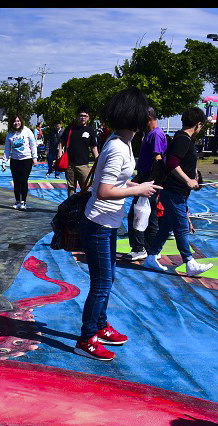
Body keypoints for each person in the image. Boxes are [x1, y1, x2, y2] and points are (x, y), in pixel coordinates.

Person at [74, 88, 160, 362]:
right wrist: (138, 190)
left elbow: (116, 182)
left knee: (107, 279)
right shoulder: (117, 147)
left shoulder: (121, 142)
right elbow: (104, 190)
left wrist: (137, 185)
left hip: (107, 223)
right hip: (99, 222)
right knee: (101, 283)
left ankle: (100, 325)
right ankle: (86, 338)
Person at [142, 107, 214, 277]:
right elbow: (172, 162)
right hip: (174, 192)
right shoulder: (183, 139)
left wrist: (194, 176)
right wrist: (188, 180)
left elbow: (181, 162)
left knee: (166, 226)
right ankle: (189, 262)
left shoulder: (183, 139)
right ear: (198, 124)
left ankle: (151, 256)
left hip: (177, 192)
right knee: (181, 227)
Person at [127, 107, 166, 261]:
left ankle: (139, 248)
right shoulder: (149, 135)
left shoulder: (156, 135)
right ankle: (152, 248)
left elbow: (157, 159)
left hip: (149, 179)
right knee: (150, 215)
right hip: (145, 177)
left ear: (149, 117)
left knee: (138, 213)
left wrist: (150, 181)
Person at [57, 107, 99, 198]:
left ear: (88, 117)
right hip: (70, 164)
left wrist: (97, 159)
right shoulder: (70, 128)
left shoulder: (90, 130)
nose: (82, 118)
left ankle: (84, 208)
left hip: (83, 164)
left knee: (86, 188)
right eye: (80, 115)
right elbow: (61, 141)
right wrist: (60, 152)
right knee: (71, 187)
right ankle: (71, 208)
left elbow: (94, 147)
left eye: (85, 116)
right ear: (77, 116)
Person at [1, 114, 37, 210]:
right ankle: (17, 201)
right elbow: (7, 149)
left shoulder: (27, 131)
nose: (16, 123)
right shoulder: (10, 134)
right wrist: (4, 162)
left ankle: (23, 202)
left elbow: (33, 144)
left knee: (23, 180)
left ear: (21, 121)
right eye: (14, 121)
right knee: (16, 181)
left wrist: (35, 157)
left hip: (26, 159)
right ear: (11, 123)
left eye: (18, 121)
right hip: (15, 160)